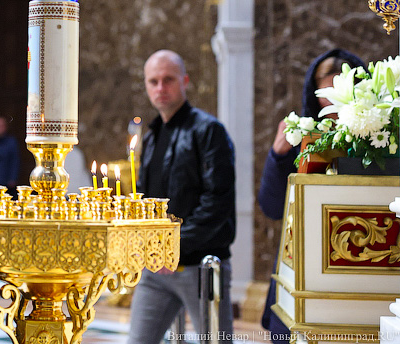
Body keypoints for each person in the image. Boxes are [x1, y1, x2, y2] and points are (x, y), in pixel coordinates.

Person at [128, 50, 236, 344]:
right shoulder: (151, 136)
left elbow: (218, 201)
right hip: (156, 270)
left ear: (184, 81)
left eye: (168, 80)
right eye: (153, 81)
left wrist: (175, 244)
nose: (160, 88)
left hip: (200, 266)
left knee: (216, 342)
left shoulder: (209, 131)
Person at [256, 48, 364, 337]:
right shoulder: (300, 134)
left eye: (341, 91)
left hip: (360, 261)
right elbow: (270, 206)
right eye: (325, 93)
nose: (332, 103)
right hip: (304, 261)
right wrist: (278, 156)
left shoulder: (380, 136)